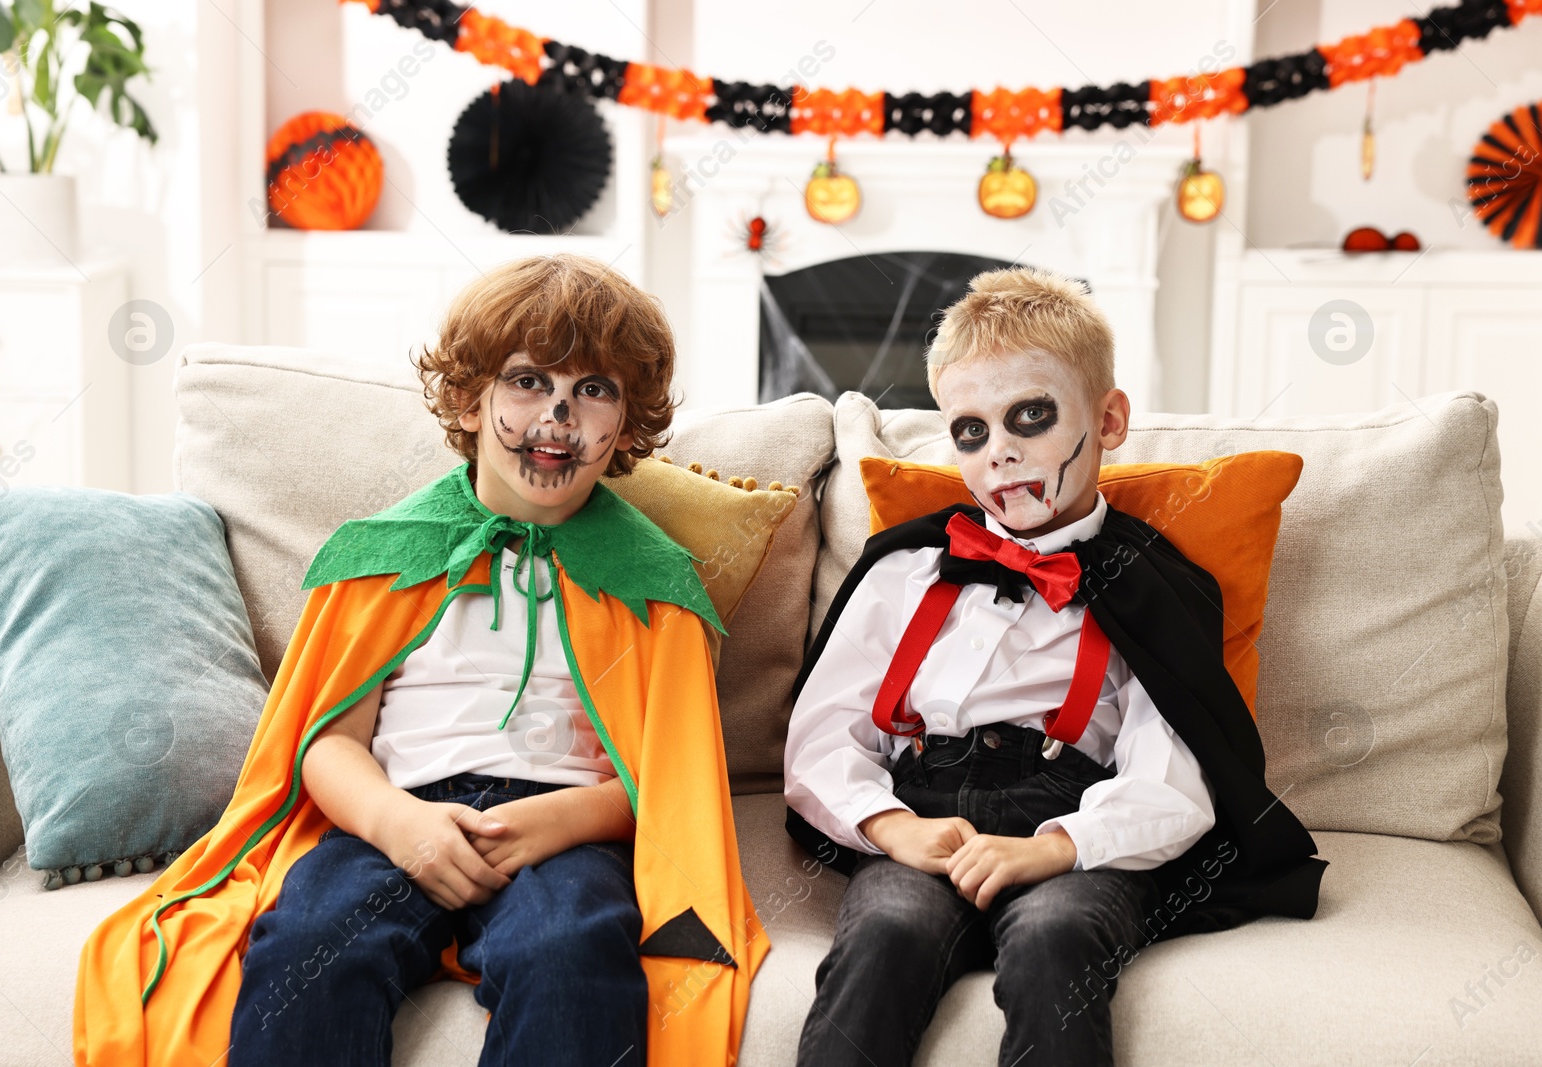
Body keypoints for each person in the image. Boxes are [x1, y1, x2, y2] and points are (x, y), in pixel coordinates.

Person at [74, 254, 767, 1067]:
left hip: (564, 833)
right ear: (472, 400)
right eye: (528, 381)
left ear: (625, 426)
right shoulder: (385, 553)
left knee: (573, 956)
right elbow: (324, 743)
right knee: (307, 944)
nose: (557, 415)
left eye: (594, 390)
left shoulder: (654, 582)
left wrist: (554, 821)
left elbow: (671, 780)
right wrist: (398, 824)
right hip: (394, 815)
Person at [783, 267, 1324, 1067]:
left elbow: (1175, 773)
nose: (999, 454)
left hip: (1072, 827)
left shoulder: (1154, 587)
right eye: (970, 430)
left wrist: (1056, 847)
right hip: (924, 816)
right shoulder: (904, 571)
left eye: (1029, 418)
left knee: (1055, 935)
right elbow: (822, 737)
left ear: (1107, 420)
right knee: (887, 931)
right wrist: (896, 829)